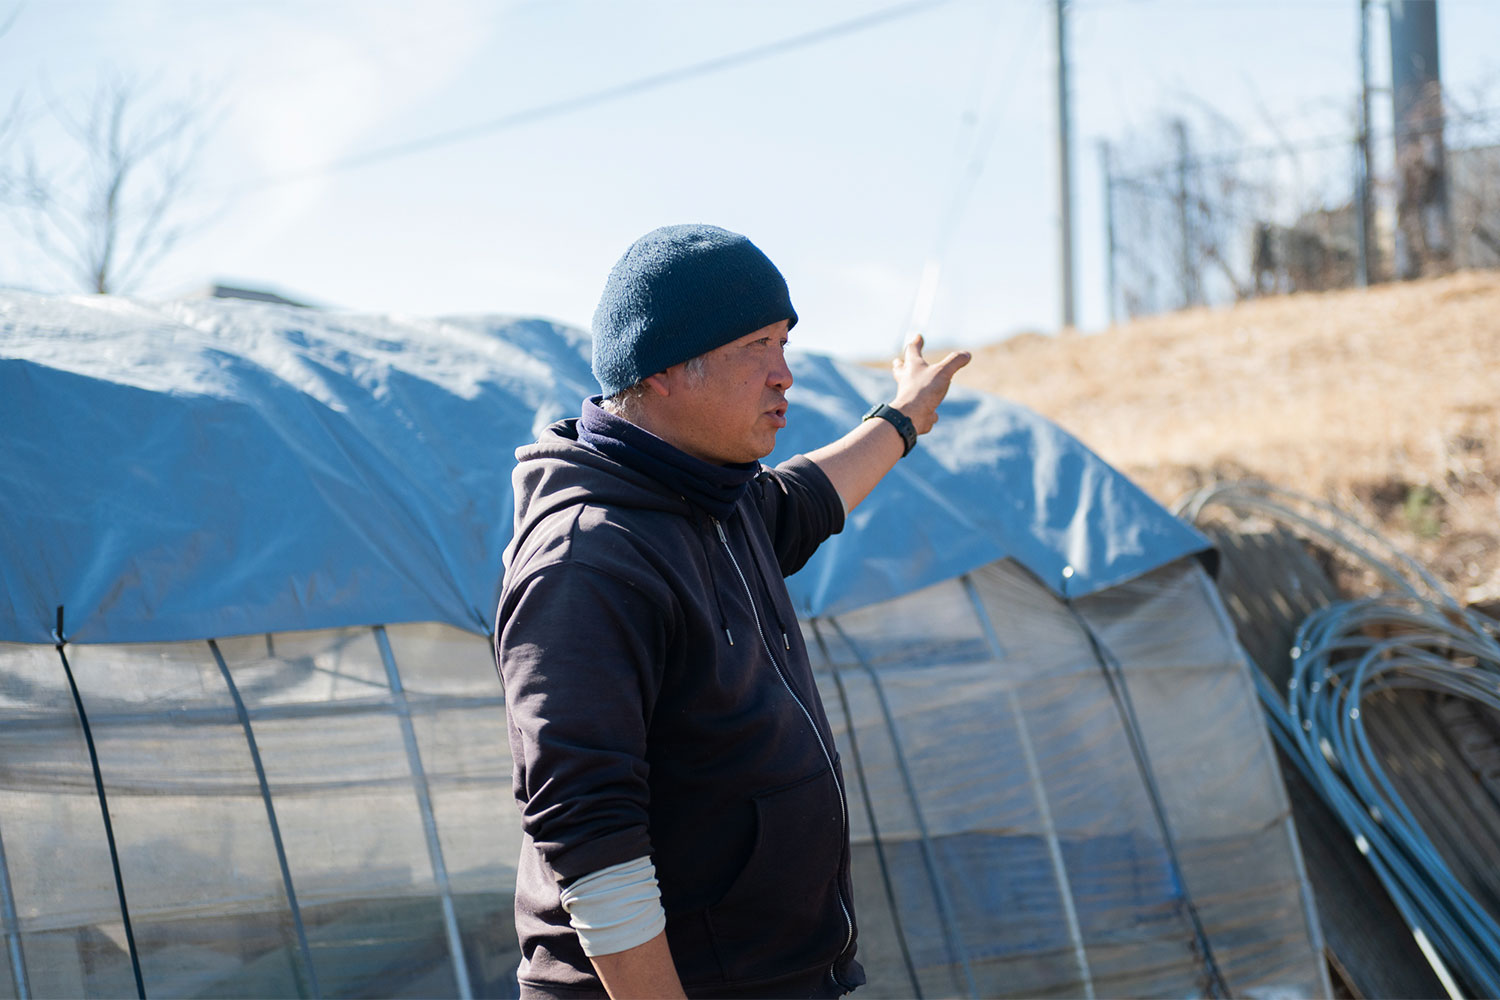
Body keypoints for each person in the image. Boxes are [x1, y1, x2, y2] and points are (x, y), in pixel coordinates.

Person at [495, 224, 970, 1000]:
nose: (786, 376)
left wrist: (903, 418)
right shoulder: (588, 560)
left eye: (785, 343)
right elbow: (591, 835)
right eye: (759, 345)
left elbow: (813, 493)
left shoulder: (716, 500)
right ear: (664, 370)